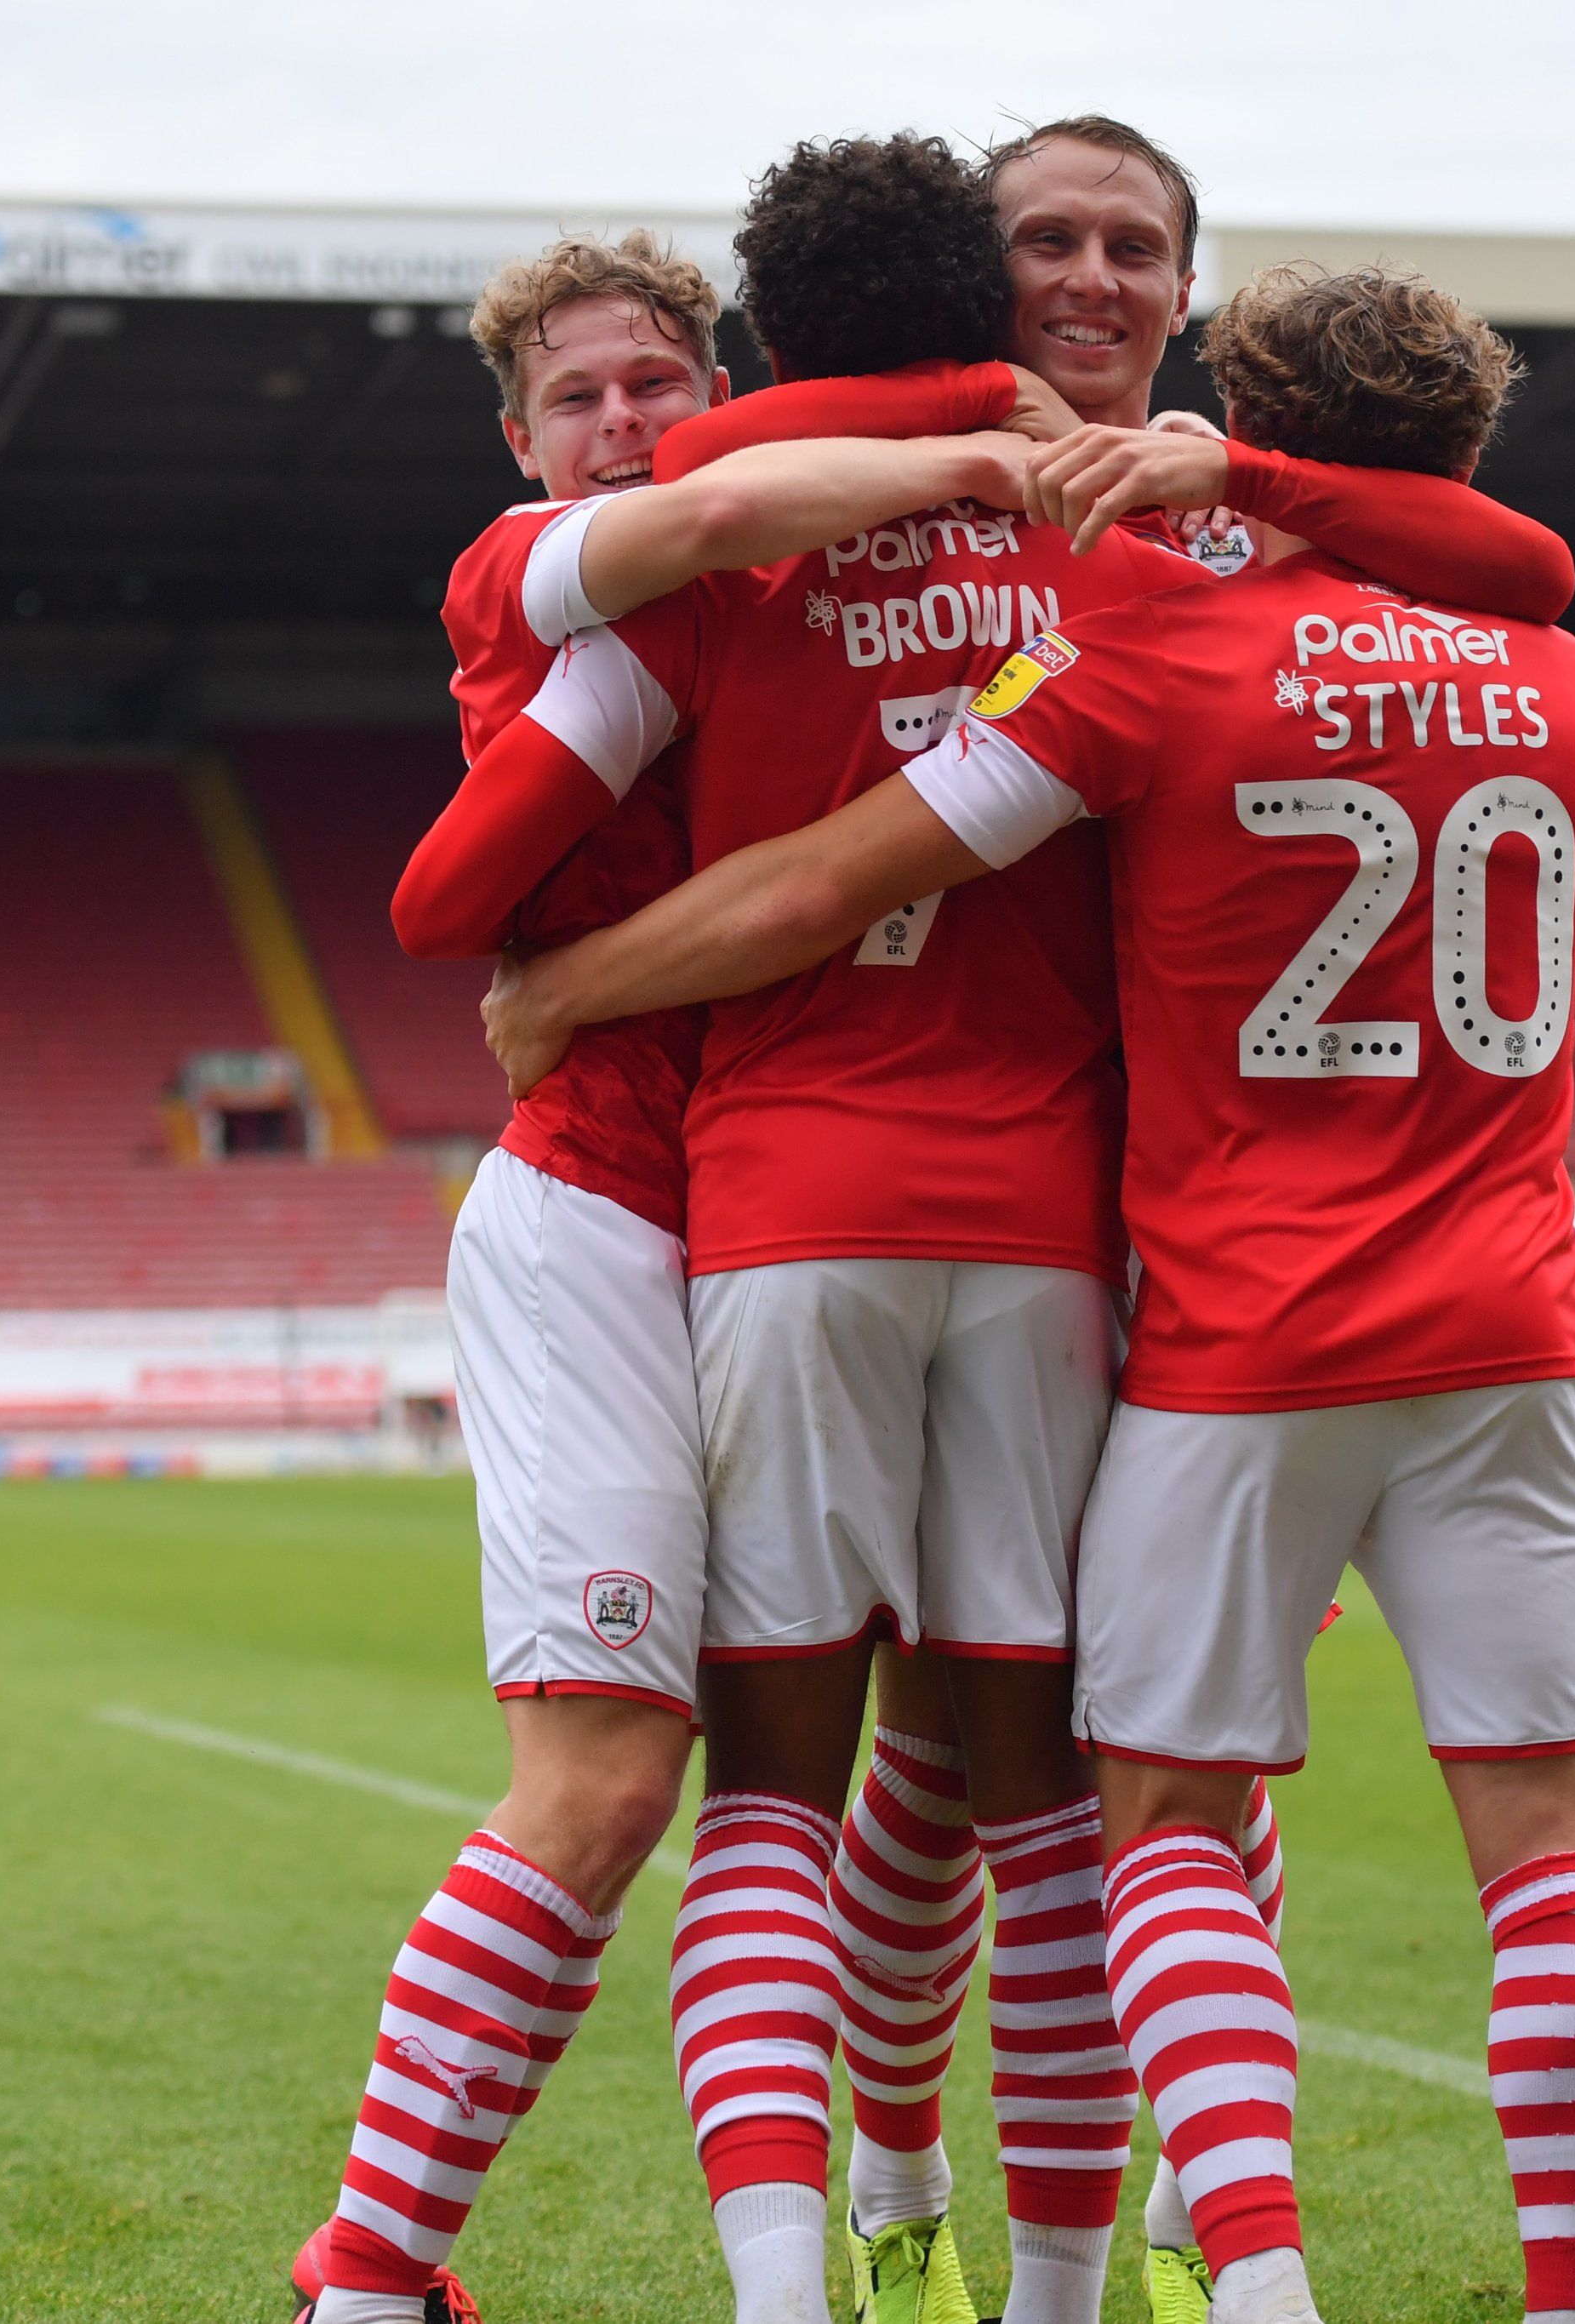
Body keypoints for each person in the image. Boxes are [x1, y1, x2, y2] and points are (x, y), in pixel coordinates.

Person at [422, 139, 1575, 2324]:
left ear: (1185, 293)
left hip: (1109, 1231)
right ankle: (921, 2194)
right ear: (986, 269)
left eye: (1132, 247)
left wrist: (558, 979)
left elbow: (1505, 547)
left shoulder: (1156, 513)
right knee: (1000, 1776)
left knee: (1087, 1771)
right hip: (1064, 1214)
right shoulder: (1006, 515)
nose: (1086, 274)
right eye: (1043, 238)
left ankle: (1095, 2218)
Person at [285, 229, 1079, 2324]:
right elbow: (443, 900)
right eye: (579, 399)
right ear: (521, 442)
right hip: (599, 1219)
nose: (623, 423)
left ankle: (907, 2208)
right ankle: (365, 2280)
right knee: (624, 1778)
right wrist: (994, 427)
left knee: (910, 1745)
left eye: (660, 379)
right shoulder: (566, 588)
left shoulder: (759, 600)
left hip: (779, 1216)